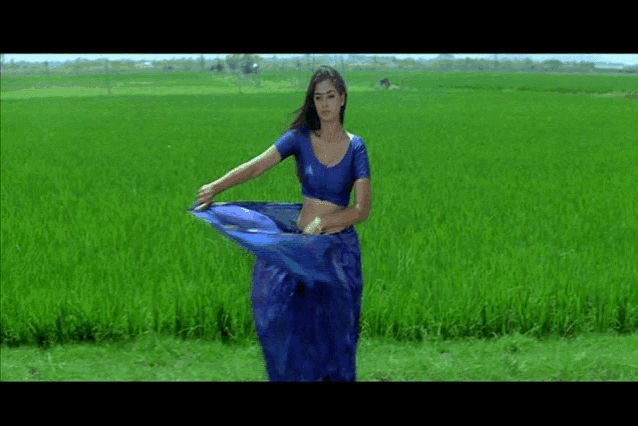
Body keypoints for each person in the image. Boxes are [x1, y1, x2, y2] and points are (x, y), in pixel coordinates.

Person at [191, 65, 371, 381]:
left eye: (331, 96)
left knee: (335, 338)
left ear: (342, 99)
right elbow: (256, 167)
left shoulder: (356, 147)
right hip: (299, 248)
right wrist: (215, 187)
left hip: (335, 255)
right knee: (291, 333)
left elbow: (360, 209)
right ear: (312, 102)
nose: (325, 103)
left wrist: (325, 222)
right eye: (318, 97)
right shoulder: (299, 139)